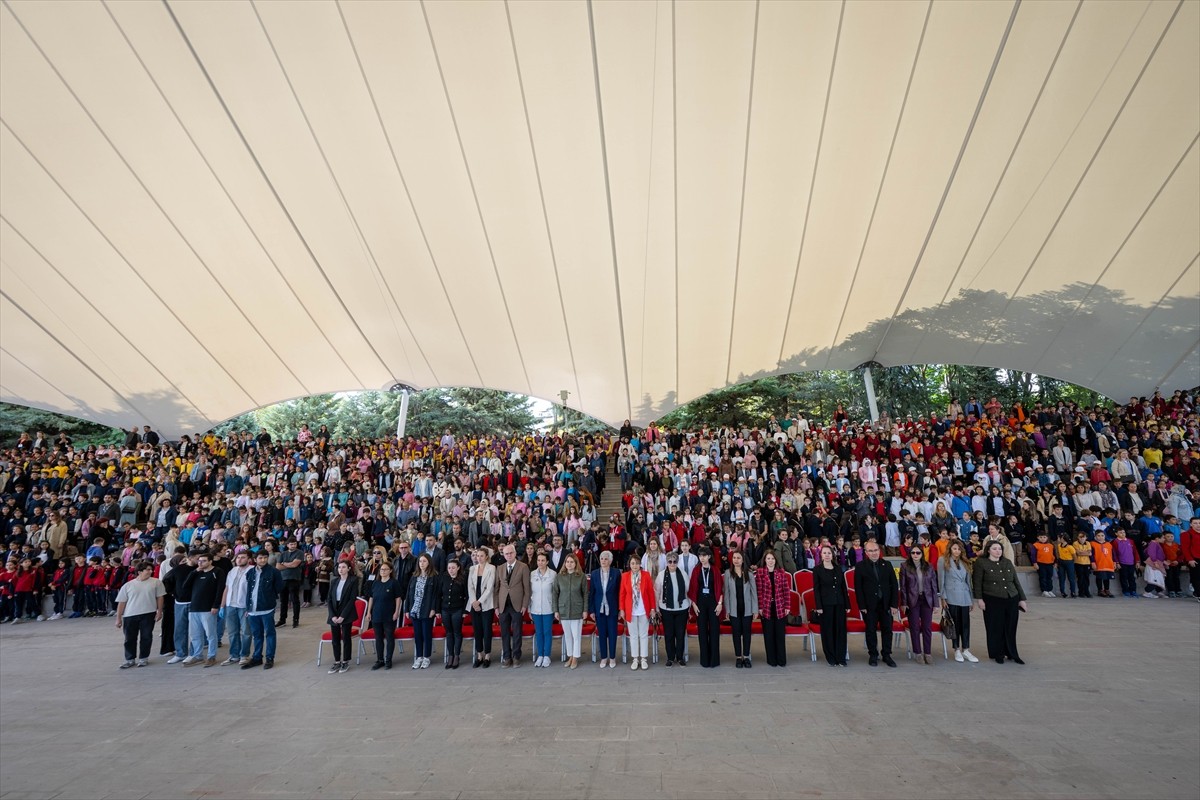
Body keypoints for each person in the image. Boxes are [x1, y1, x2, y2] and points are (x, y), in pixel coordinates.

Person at [972, 540, 1028, 664]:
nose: (998, 551)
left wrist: (1022, 599)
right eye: (995, 549)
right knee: (995, 627)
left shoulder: (1007, 562)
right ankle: (997, 653)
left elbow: (1015, 581)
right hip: (992, 598)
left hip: (1011, 597)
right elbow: (977, 582)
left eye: (1000, 549)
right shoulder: (981, 563)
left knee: (1010, 627)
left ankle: (1012, 653)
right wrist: (979, 599)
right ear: (988, 550)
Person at [853, 541, 898, 668]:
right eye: (871, 551)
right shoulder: (861, 566)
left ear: (880, 550)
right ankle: (873, 655)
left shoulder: (887, 565)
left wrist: (894, 604)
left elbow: (894, 585)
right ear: (866, 553)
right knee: (870, 630)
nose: (874, 553)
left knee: (887, 630)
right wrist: (862, 606)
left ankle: (887, 654)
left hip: (886, 604)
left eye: (876, 550)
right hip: (869, 605)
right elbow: (858, 588)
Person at [114, 560, 164, 669]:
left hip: (148, 613)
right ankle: (130, 659)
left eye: (151, 570)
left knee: (146, 636)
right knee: (129, 638)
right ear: (140, 571)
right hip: (130, 615)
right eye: (148, 570)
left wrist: (159, 611)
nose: (150, 572)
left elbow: (160, 597)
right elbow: (122, 602)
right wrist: (118, 618)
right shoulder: (128, 585)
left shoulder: (156, 582)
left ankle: (143, 658)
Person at [180, 551, 224, 667]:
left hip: (208, 608)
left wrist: (216, 605)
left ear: (210, 561)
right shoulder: (196, 572)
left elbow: (220, 589)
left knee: (210, 634)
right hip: (194, 607)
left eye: (204, 561)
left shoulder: (217, 572)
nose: (201, 563)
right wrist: (194, 572)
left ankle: (211, 655)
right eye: (199, 561)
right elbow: (185, 586)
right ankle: (198, 655)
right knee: (195, 634)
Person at [938, 539, 978, 663]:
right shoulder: (942, 560)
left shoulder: (965, 562)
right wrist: (943, 598)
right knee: (954, 624)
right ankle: (956, 649)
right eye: (954, 548)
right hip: (951, 596)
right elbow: (941, 580)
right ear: (950, 549)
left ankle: (966, 648)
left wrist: (971, 600)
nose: (957, 551)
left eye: (959, 549)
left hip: (965, 595)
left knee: (965, 624)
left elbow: (968, 582)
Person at [243, 549, 283, 670]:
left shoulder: (274, 572)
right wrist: (247, 608)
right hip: (252, 610)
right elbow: (249, 591)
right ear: (255, 559)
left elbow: (279, 587)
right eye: (260, 558)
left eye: (265, 557)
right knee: (257, 634)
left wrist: (269, 598)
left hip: (266, 609)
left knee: (270, 634)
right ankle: (257, 657)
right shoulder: (250, 572)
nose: (263, 560)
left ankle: (270, 658)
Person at [899, 545, 940, 665]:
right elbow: (903, 587)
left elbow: (934, 586)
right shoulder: (904, 566)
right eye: (913, 553)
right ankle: (917, 652)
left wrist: (936, 603)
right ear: (910, 554)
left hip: (927, 600)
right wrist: (904, 603)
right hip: (913, 601)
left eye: (918, 553)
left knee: (927, 627)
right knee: (915, 627)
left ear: (922, 554)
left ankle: (927, 652)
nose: (915, 555)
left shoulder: (929, 566)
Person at [494, 543, 531, 668]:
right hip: (503, 605)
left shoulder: (523, 567)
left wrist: (525, 606)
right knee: (504, 632)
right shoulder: (500, 568)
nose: (509, 555)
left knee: (517, 632)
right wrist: (496, 607)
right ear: (503, 555)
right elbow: (496, 589)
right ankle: (506, 657)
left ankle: (516, 656)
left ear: (515, 553)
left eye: (511, 553)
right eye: (506, 553)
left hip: (517, 605)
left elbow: (527, 589)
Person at [811, 544, 848, 667]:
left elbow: (843, 587)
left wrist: (847, 604)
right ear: (821, 555)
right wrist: (819, 606)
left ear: (832, 555)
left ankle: (841, 657)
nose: (827, 555)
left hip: (840, 603)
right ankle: (831, 656)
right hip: (825, 605)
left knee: (840, 630)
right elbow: (816, 589)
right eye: (824, 553)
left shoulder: (838, 568)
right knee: (828, 631)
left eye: (829, 553)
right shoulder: (817, 570)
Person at [618, 553, 656, 670]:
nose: (635, 566)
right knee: (633, 635)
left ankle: (644, 658)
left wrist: (653, 608)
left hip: (643, 609)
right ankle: (635, 659)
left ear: (640, 564)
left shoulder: (646, 575)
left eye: (637, 563)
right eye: (633, 563)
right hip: (631, 610)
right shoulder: (625, 576)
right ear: (629, 564)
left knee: (643, 635)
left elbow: (650, 592)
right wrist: (622, 609)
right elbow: (622, 594)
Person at [687, 546, 723, 668]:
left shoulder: (715, 570)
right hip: (700, 603)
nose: (702, 558)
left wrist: (719, 604)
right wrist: (694, 604)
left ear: (709, 556)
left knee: (714, 631)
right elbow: (692, 589)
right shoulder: (696, 570)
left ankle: (714, 660)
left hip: (713, 602)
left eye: (704, 555)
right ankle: (704, 660)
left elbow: (720, 589)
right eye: (700, 556)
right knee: (702, 631)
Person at [723, 550, 758, 668]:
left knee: (747, 633)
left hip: (747, 608)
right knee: (736, 633)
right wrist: (727, 610)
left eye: (738, 558)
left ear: (743, 560)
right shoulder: (728, 573)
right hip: (734, 609)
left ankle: (747, 657)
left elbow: (754, 592)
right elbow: (726, 593)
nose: (736, 560)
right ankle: (738, 657)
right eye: (734, 558)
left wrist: (755, 609)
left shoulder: (749, 573)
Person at [364, 560, 402, 670]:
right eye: (381, 569)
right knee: (378, 638)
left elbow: (398, 598)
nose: (383, 571)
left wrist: (396, 612)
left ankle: (388, 659)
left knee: (390, 637)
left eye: (385, 569)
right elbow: (371, 598)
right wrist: (368, 612)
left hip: (389, 614)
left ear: (390, 571)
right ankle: (380, 659)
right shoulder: (375, 583)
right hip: (376, 614)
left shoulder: (394, 583)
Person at [654, 551, 689, 667]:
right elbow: (657, 592)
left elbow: (687, 591)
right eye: (670, 561)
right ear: (667, 562)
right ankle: (670, 657)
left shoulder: (683, 574)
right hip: (666, 609)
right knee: (669, 634)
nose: (672, 563)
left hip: (681, 609)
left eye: (674, 561)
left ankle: (679, 657)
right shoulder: (661, 575)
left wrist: (689, 606)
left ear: (677, 562)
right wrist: (657, 608)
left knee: (680, 634)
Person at [756, 550, 791, 667]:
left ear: (776, 560)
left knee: (780, 635)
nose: (770, 561)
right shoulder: (760, 573)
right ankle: (771, 660)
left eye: (772, 559)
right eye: (768, 559)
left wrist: (787, 606)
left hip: (780, 607)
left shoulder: (781, 572)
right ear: (764, 560)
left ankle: (781, 659)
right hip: (766, 607)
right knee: (769, 635)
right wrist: (760, 607)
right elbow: (759, 592)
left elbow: (786, 590)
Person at [552, 553, 587, 669]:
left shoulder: (581, 576)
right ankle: (570, 655)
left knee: (576, 635)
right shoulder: (559, 576)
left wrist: (585, 610)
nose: (569, 564)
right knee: (567, 635)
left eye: (572, 562)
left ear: (576, 563)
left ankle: (575, 657)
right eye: (567, 562)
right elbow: (555, 594)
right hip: (563, 609)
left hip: (577, 609)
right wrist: (556, 610)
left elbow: (585, 594)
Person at [587, 550, 621, 669]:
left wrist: (620, 609)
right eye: (602, 558)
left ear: (610, 561)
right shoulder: (595, 573)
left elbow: (619, 593)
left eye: (606, 559)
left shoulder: (616, 573)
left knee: (612, 633)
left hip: (612, 608)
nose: (603, 561)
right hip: (599, 609)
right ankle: (603, 657)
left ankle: (612, 657)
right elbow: (592, 593)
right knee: (601, 634)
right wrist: (591, 610)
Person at [325, 560, 360, 674]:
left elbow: (352, 599)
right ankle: (336, 661)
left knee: (346, 637)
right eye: (339, 567)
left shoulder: (353, 580)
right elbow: (329, 599)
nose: (341, 569)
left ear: (349, 569)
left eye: (344, 567)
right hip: (334, 611)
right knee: (335, 638)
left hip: (346, 611)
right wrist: (333, 615)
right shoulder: (334, 581)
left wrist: (343, 616)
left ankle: (345, 661)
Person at [219, 550, 253, 666]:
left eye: (243, 558)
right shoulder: (232, 571)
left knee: (246, 631)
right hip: (230, 605)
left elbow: (253, 591)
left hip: (244, 606)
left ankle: (244, 655)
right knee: (232, 632)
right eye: (238, 558)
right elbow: (227, 589)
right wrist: (222, 605)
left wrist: (251, 607)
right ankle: (234, 655)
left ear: (249, 559)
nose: (239, 560)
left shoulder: (252, 571)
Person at [406, 553, 439, 669]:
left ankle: (426, 657)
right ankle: (419, 656)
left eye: (424, 561)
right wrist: (407, 609)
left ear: (429, 562)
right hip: (415, 609)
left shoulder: (433, 576)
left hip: (427, 610)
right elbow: (409, 593)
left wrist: (433, 608)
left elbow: (436, 595)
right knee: (418, 635)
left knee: (426, 634)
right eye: (420, 561)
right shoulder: (414, 576)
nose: (422, 564)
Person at [467, 547, 496, 668]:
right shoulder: (472, 568)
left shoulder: (492, 568)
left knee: (487, 630)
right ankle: (479, 655)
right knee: (477, 630)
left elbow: (490, 588)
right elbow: (470, 587)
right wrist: (474, 602)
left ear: (486, 557)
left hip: (486, 604)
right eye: (477, 556)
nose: (479, 558)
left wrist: (479, 601)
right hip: (474, 604)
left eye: (481, 556)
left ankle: (488, 655)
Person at [437, 558, 468, 668]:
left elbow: (467, 596)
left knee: (457, 633)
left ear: (458, 568)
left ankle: (456, 655)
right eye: (449, 568)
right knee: (449, 633)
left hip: (458, 609)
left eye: (453, 568)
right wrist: (437, 610)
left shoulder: (463, 579)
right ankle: (450, 655)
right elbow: (438, 595)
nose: (451, 570)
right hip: (445, 609)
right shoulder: (444, 578)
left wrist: (465, 611)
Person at [276, 538, 304, 628]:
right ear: (287, 545)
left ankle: (296, 619)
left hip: (294, 579)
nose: (293, 546)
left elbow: (295, 564)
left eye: (294, 544)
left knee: (295, 600)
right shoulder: (283, 554)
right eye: (291, 544)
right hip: (283, 579)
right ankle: (282, 620)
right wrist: (289, 564)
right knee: (283, 601)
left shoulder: (299, 552)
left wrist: (284, 563)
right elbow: (278, 567)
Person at [1183, 517, 1200, 601]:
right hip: (1194, 559)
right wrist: (1189, 559)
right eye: (1195, 523)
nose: (1198, 525)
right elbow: (1185, 548)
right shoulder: (1187, 534)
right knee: (1197, 577)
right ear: (1191, 524)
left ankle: (1196, 592)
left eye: (1199, 523)